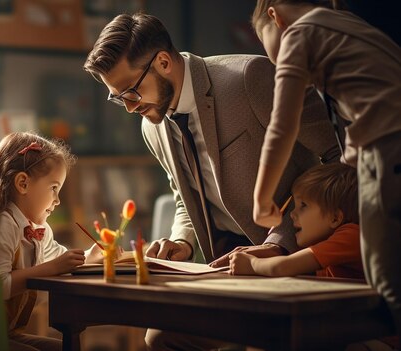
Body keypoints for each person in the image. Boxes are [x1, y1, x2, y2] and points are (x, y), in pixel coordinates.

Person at [83, 12, 340, 350]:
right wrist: (183, 241)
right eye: (118, 98)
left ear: (162, 62)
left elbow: (337, 159)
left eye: (131, 92)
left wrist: (279, 243)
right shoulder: (152, 126)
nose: (130, 108)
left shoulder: (250, 77)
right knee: (161, 338)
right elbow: (184, 197)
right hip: (225, 268)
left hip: (298, 259)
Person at [249, 0, 401, 343]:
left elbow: (283, 125)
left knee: (387, 286)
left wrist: (261, 198)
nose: (274, 59)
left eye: (265, 42)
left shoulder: (299, 33)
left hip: (388, 152)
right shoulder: (348, 26)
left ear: (275, 16)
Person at [0, 132, 101, 351]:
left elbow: (60, 259)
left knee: (64, 348)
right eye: (54, 188)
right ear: (23, 183)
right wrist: (52, 267)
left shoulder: (36, 229)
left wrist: (92, 255)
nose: (58, 200)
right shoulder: (1, 223)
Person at [230, 163, 362, 279]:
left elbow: (283, 267)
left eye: (303, 205)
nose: (292, 214)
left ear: (335, 217)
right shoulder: (326, 242)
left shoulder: (351, 236)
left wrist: (252, 264)